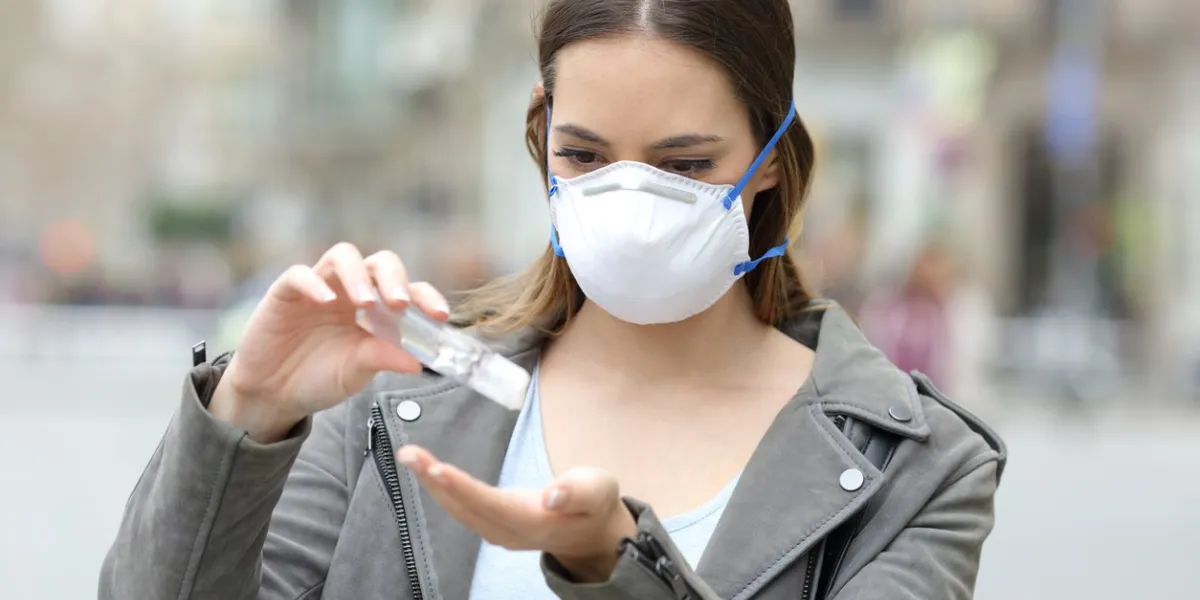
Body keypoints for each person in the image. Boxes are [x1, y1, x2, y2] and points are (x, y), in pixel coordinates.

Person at [100, 1, 1006, 599]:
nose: (633, 202)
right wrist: (247, 413)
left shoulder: (919, 471)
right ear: (541, 136)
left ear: (771, 156)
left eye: (685, 164)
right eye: (584, 156)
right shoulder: (390, 400)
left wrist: (611, 567)